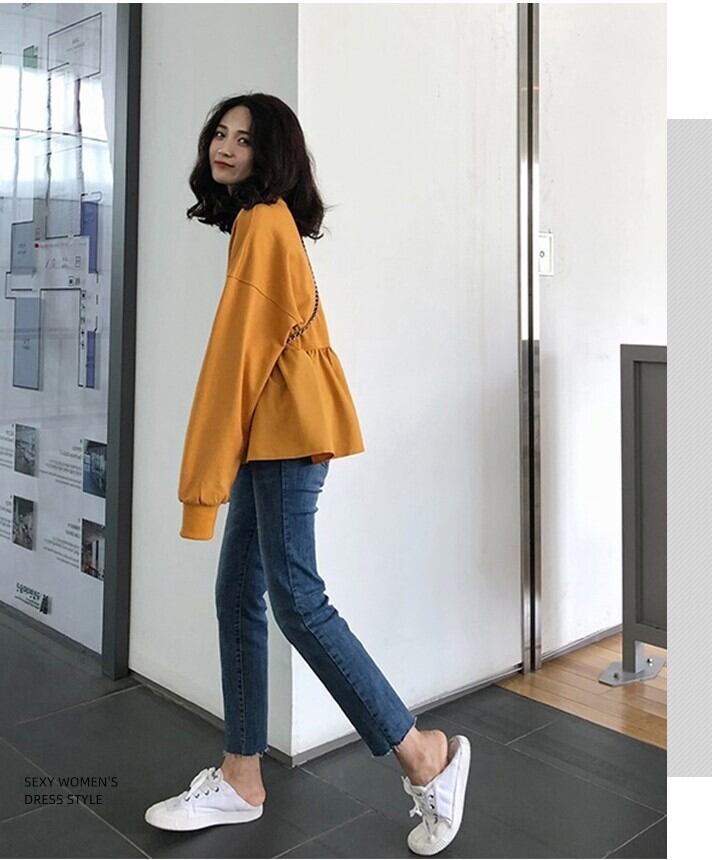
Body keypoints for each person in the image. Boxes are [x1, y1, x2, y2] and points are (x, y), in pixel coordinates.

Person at [144, 93, 471, 855]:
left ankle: (424, 755)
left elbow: (232, 368)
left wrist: (200, 492)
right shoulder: (261, 224)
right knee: (239, 595)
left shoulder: (263, 224)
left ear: (274, 155)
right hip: (275, 437)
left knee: (298, 602)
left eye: (245, 139)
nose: (225, 146)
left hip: (287, 440)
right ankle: (241, 777)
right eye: (219, 133)